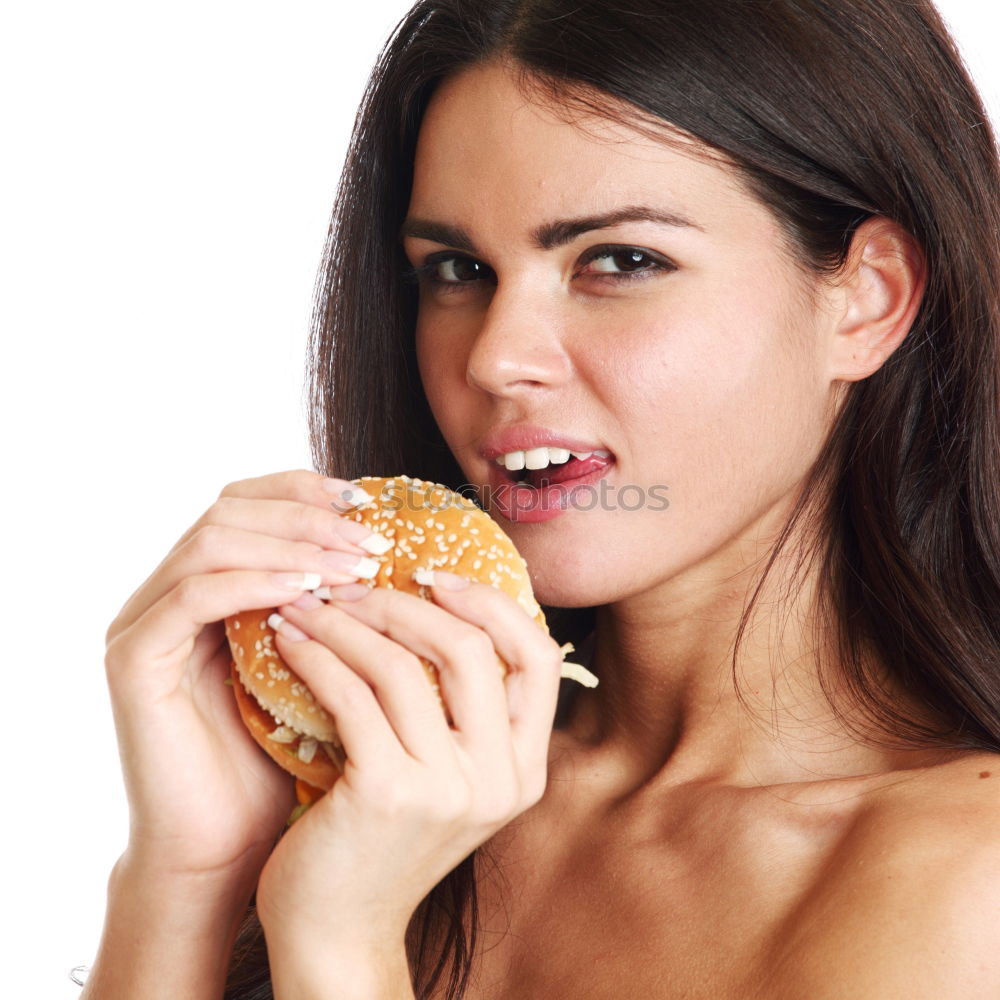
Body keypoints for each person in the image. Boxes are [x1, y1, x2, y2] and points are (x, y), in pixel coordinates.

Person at [81, 0, 1000, 997]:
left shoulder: (964, 881)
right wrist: (187, 877)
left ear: (865, 299)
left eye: (619, 261)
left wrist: (341, 943)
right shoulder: (395, 781)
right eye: (457, 270)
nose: (495, 355)